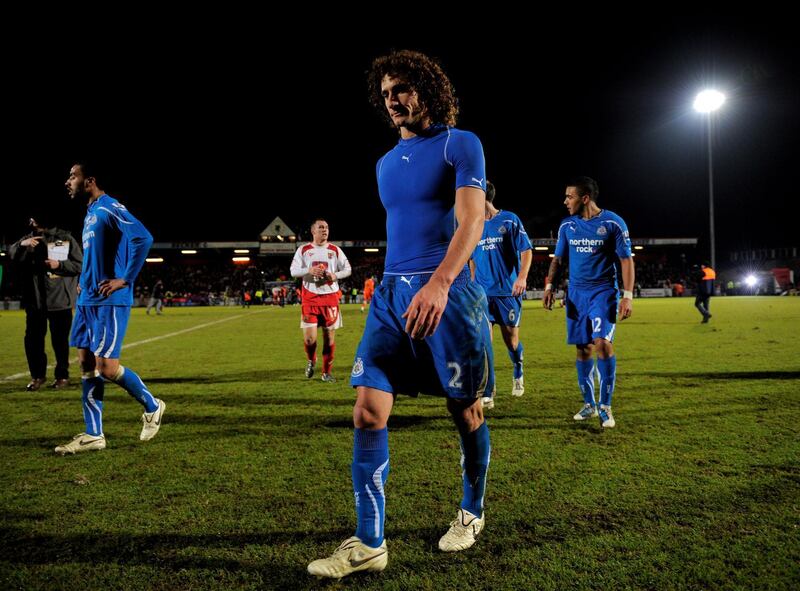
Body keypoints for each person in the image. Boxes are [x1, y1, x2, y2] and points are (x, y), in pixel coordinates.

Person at [307, 49, 494, 580]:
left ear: (428, 91)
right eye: (386, 93)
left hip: (449, 294)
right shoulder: (384, 163)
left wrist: (439, 284)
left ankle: (471, 511)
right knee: (367, 411)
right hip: (390, 296)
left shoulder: (462, 144)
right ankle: (369, 543)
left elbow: (471, 221)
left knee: (466, 413)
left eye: (403, 90)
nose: (393, 100)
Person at [55, 162, 165, 455]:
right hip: (88, 299)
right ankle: (94, 435)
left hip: (109, 300)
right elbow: (95, 255)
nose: (68, 181)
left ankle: (153, 407)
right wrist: (83, 280)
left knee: (107, 368)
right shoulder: (90, 213)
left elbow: (143, 237)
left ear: (89, 180)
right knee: (86, 365)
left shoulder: (109, 207)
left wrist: (125, 278)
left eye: (72, 176)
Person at [543, 176, 634, 429]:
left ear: (585, 198)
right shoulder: (567, 226)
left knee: (603, 344)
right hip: (576, 295)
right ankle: (588, 404)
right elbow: (558, 259)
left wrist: (627, 296)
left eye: (569, 197)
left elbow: (626, 260)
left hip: (603, 292)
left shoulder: (612, 223)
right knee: (583, 349)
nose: (565, 201)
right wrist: (550, 286)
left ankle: (605, 406)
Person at [470, 181, 532, 409]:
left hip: (507, 293)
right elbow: (471, 258)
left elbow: (526, 250)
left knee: (512, 341)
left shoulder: (509, 220)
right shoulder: (473, 225)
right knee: (484, 343)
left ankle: (518, 370)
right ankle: (487, 391)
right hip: (483, 295)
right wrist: (473, 284)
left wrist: (522, 278)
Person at [8, 216, 82, 391]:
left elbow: (80, 264)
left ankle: (62, 376)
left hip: (60, 300)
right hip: (35, 301)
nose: (31, 222)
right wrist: (21, 245)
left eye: (34, 219)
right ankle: (37, 376)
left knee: (60, 342)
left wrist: (59, 265)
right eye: (30, 219)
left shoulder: (65, 238)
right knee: (33, 341)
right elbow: (10, 254)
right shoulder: (27, 238)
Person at [290, 218, 352, 383]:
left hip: (330, 298)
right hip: (310, 299)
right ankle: (311, 359)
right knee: (310, 339)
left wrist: (335, 275)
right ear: (313, 231)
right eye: (321, 227)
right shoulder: (304, 250)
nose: (324, 230)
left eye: (326, 227)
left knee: (329, 338)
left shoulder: (335, 250)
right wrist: (308, 270)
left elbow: (348, 269)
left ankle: (326, 372)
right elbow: (293, 271)